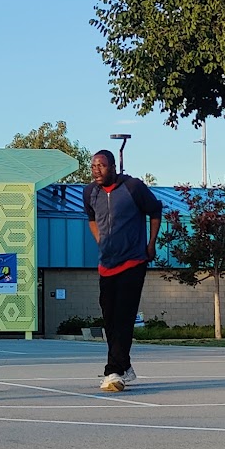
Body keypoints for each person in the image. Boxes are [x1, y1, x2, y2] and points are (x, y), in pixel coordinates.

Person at [84, 149, 162, 392]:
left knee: (123, 318)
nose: (96, 170)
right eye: (93, 166)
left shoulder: (133, 187)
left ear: (113, 167)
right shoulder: (90, 192)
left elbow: (155, 211)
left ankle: (113, 371)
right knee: (110, 319)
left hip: (133, 261)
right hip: (106, 265)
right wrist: (101, 241)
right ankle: (125, 366)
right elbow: (91, 218)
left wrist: (151, 243)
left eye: (101, 165)